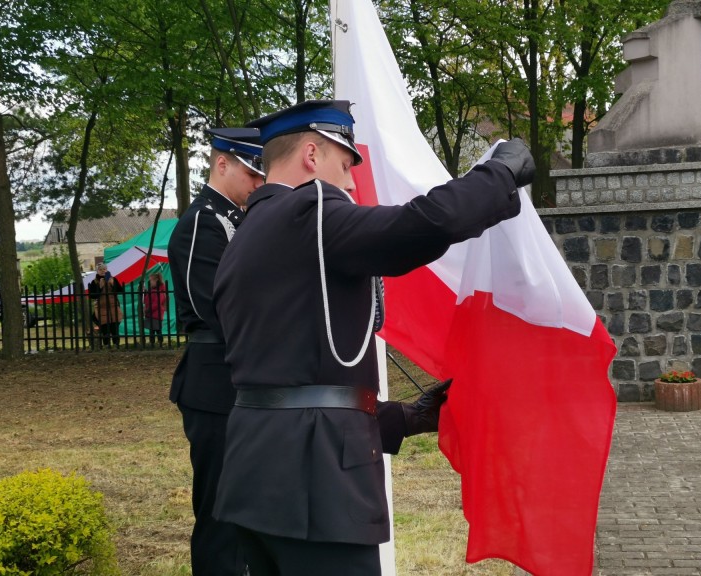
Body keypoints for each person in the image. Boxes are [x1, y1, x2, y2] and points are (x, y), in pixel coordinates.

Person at [212, 99, 535, 576]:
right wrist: (500, 175)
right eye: (345, 166)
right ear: (310, 156)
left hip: (253, 475)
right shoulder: (310, 210)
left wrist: (403, 418)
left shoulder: (244, 235)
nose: (349, 183)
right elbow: (422, 224)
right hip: (316, 489)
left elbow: (285, 377)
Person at [167, 127, 265, 576]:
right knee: (220, 514)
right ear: (221, 163)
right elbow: (213, 307)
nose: (258, 183)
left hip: (243, 384)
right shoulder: (203, 222)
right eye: (250, 172)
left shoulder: (240, 218)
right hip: (214, 387)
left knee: (248, 509)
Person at [88, 262, 124, 348]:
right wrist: (100, 288)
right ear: (97, 271)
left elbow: (120, 291)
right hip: (101, 309)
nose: (102, 271)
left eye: (104, 269)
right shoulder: (94, 282)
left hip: (113, 308)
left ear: (107, 270)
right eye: (100, 269)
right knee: (105, 329)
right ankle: (106, 345)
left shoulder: (113, 279)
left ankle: (116, 345)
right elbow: (92, 296)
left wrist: (112, 284)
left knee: (115, 328)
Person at [143, 271, 167, 347]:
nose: (149, 282)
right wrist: (146, 292)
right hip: (151, 314)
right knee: (152, 331)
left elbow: (156, 304)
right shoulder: (153, 291)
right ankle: (152, 343)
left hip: (156, 315)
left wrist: (147, 310)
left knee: (157, 330)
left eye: (151, 280)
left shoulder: (160, 291)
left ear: (156, 280)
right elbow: (147, 300)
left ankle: (159, 343)